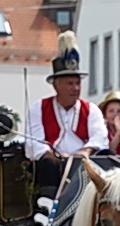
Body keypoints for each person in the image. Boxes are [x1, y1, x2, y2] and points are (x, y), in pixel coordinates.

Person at [24, 32, 108, 162]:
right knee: (46, 164)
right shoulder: (39, 108)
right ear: (56, 85)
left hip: (85, 162)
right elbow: (33, 142)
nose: (75, 88)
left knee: (108, 156)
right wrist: (53, 155)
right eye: (70, 84)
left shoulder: (91, 109)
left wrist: (84, 152)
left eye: (77, 83)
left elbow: (99, 137)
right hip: (53, 162)